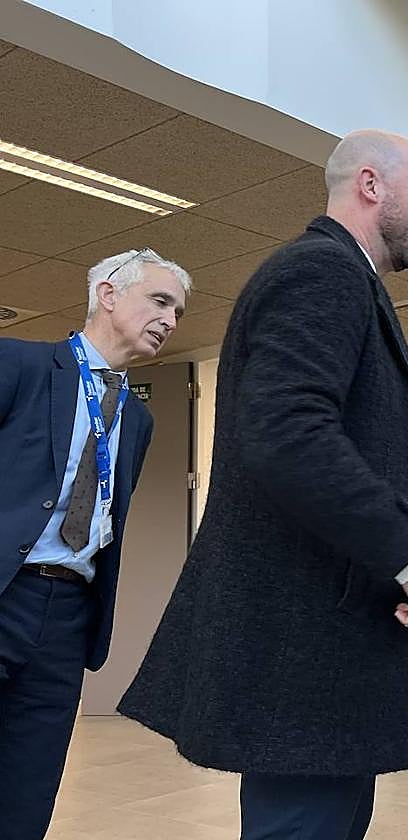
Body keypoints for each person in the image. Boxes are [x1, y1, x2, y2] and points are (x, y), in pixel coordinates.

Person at [118, 130, 408, 840]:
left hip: (320, 648)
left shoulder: (339, 277)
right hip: (308, 650)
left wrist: (404, 503)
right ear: (371, 185)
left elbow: (314, 439)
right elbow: (287, 435)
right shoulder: (322, 272)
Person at [0, 248, 190, 839]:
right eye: (159, 301)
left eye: (178, 311)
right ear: (108, 294)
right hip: (5, 590)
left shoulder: (138, 419)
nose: (170, 319)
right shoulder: (18, 365)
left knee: (28, 787)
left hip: (67, 616)